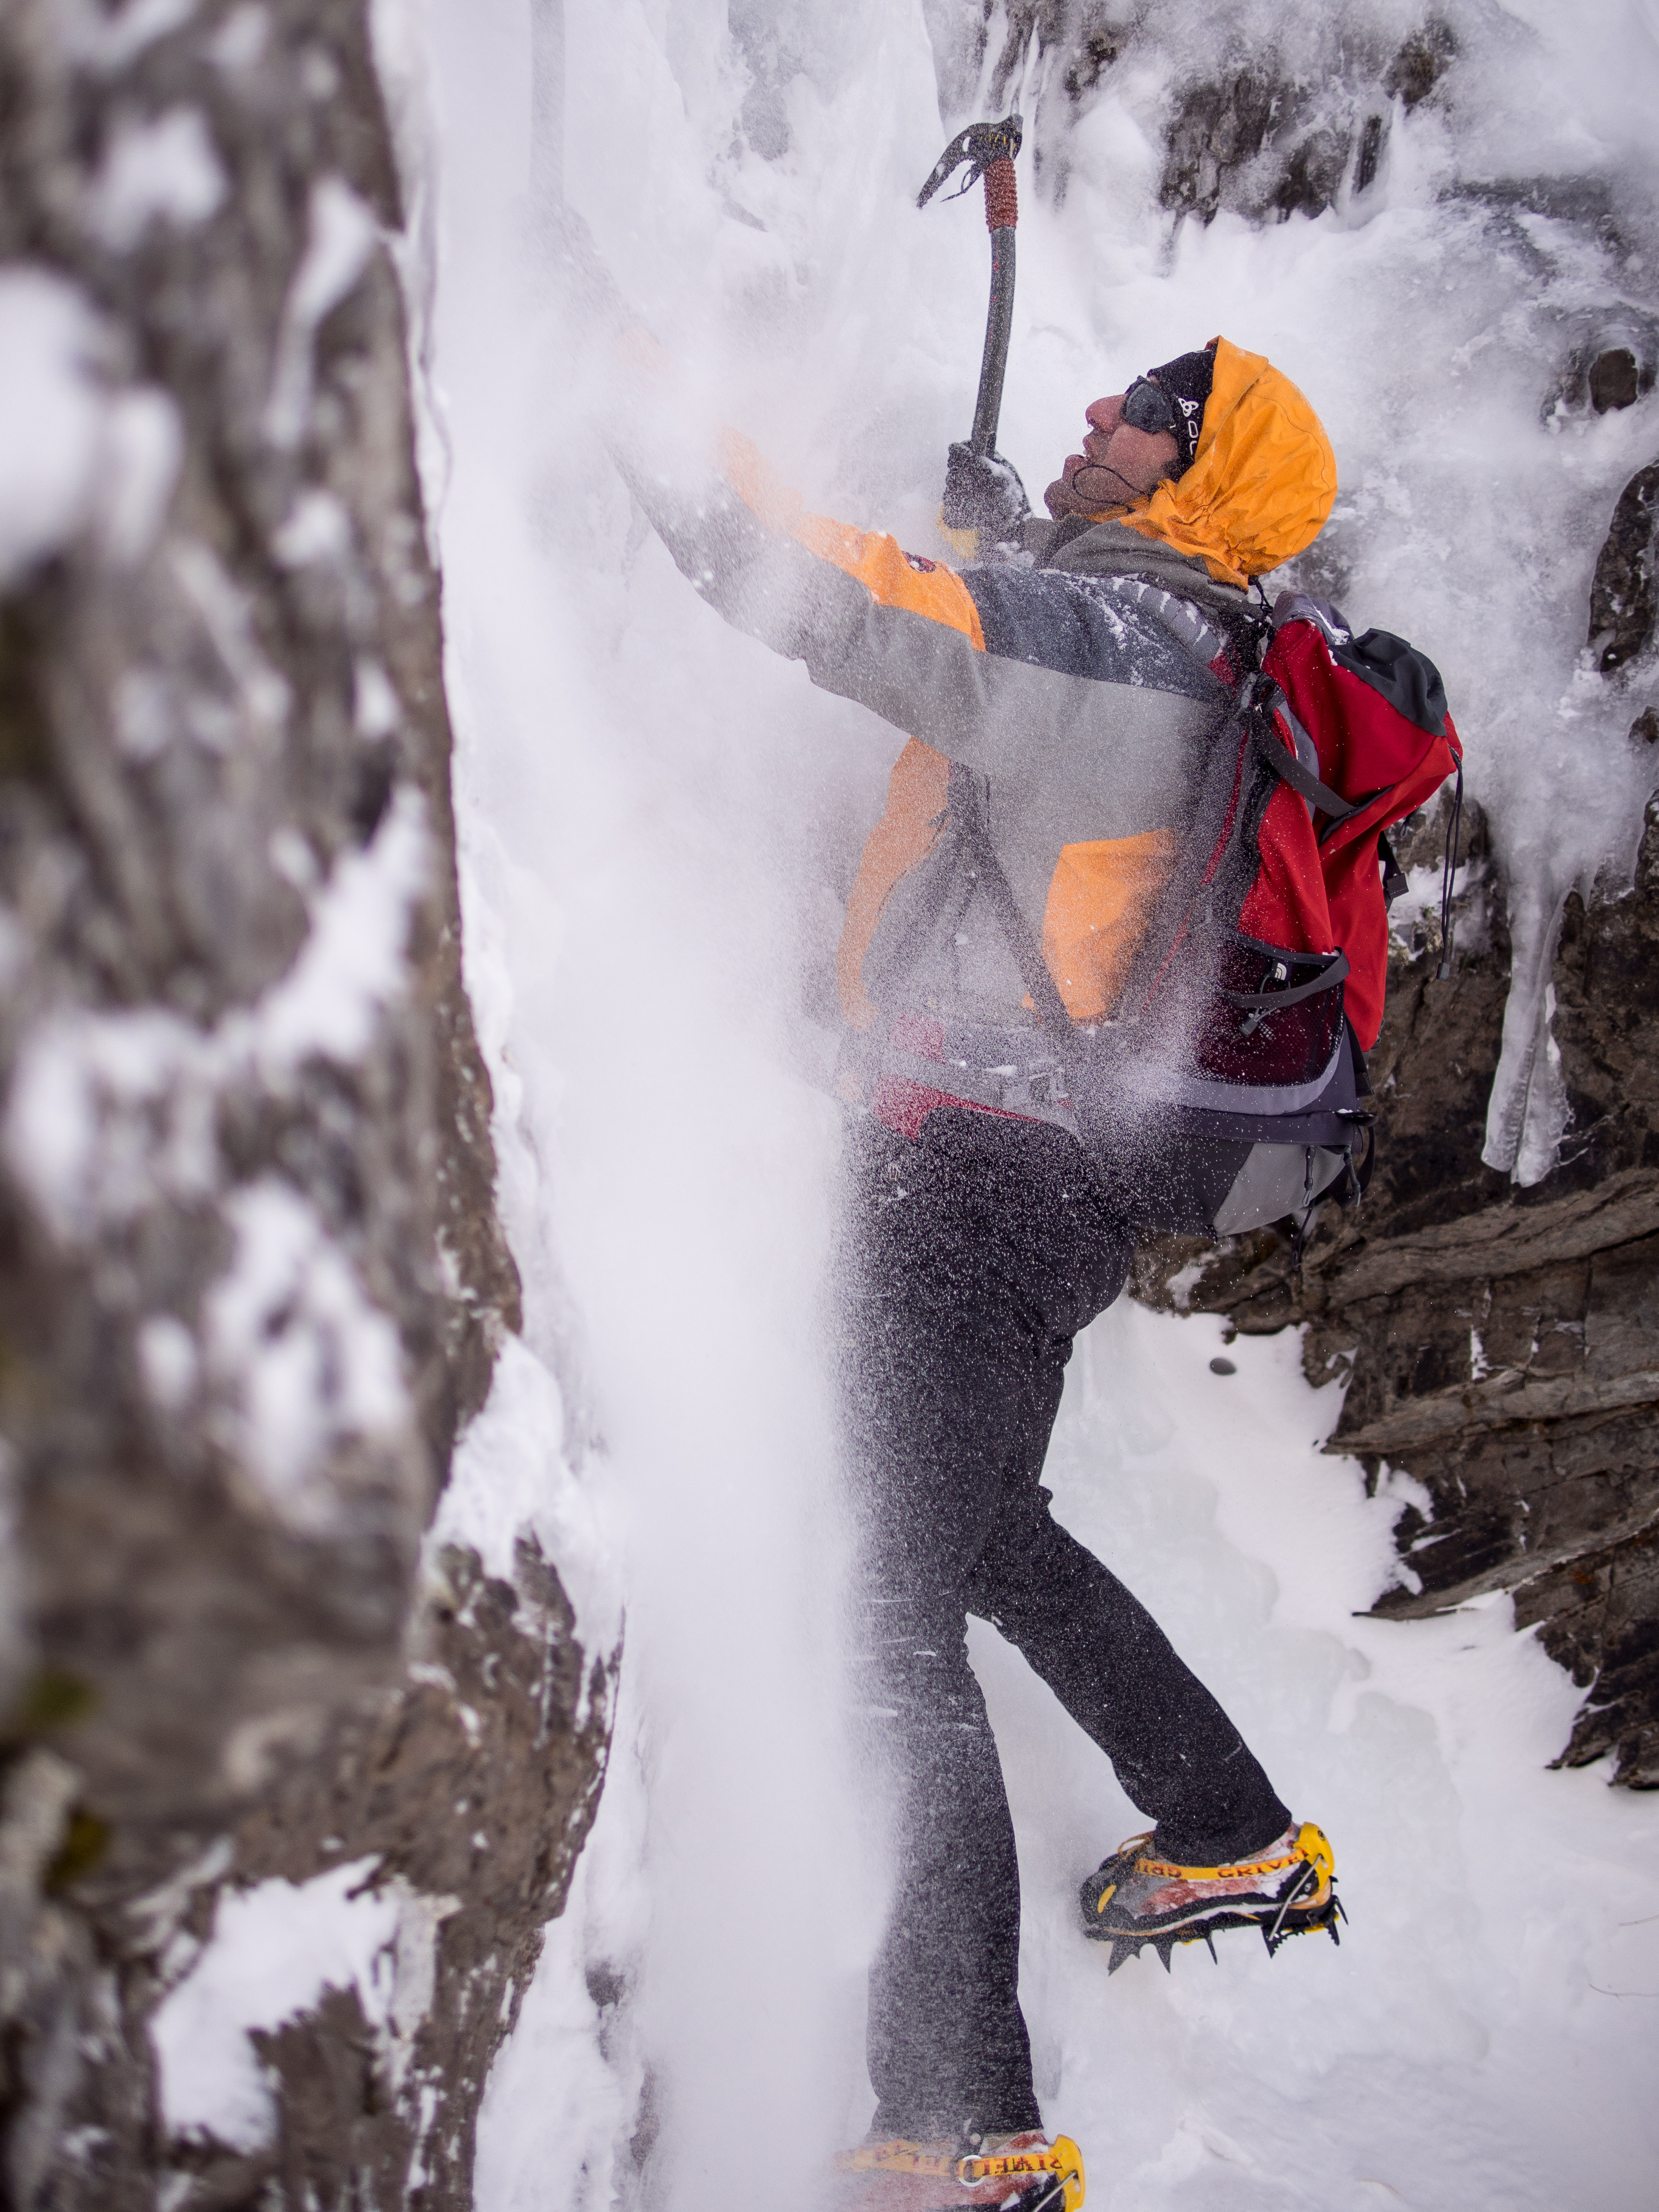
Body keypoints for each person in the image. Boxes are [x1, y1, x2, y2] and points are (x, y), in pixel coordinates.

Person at [621, 337, 1343, 2212]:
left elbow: (883, 619)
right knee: (985, 1525)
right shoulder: (1183, 643)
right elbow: (1034, 670)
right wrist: (1017, 528)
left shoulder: (1122, 654)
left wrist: (662, 442)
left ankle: (966, 2131)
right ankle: (1232, 1833)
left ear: (1192, 474)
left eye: (1133, 414)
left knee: (881, 1608)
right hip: (1027, 1167)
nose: (1092, 414)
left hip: (978, 1171)